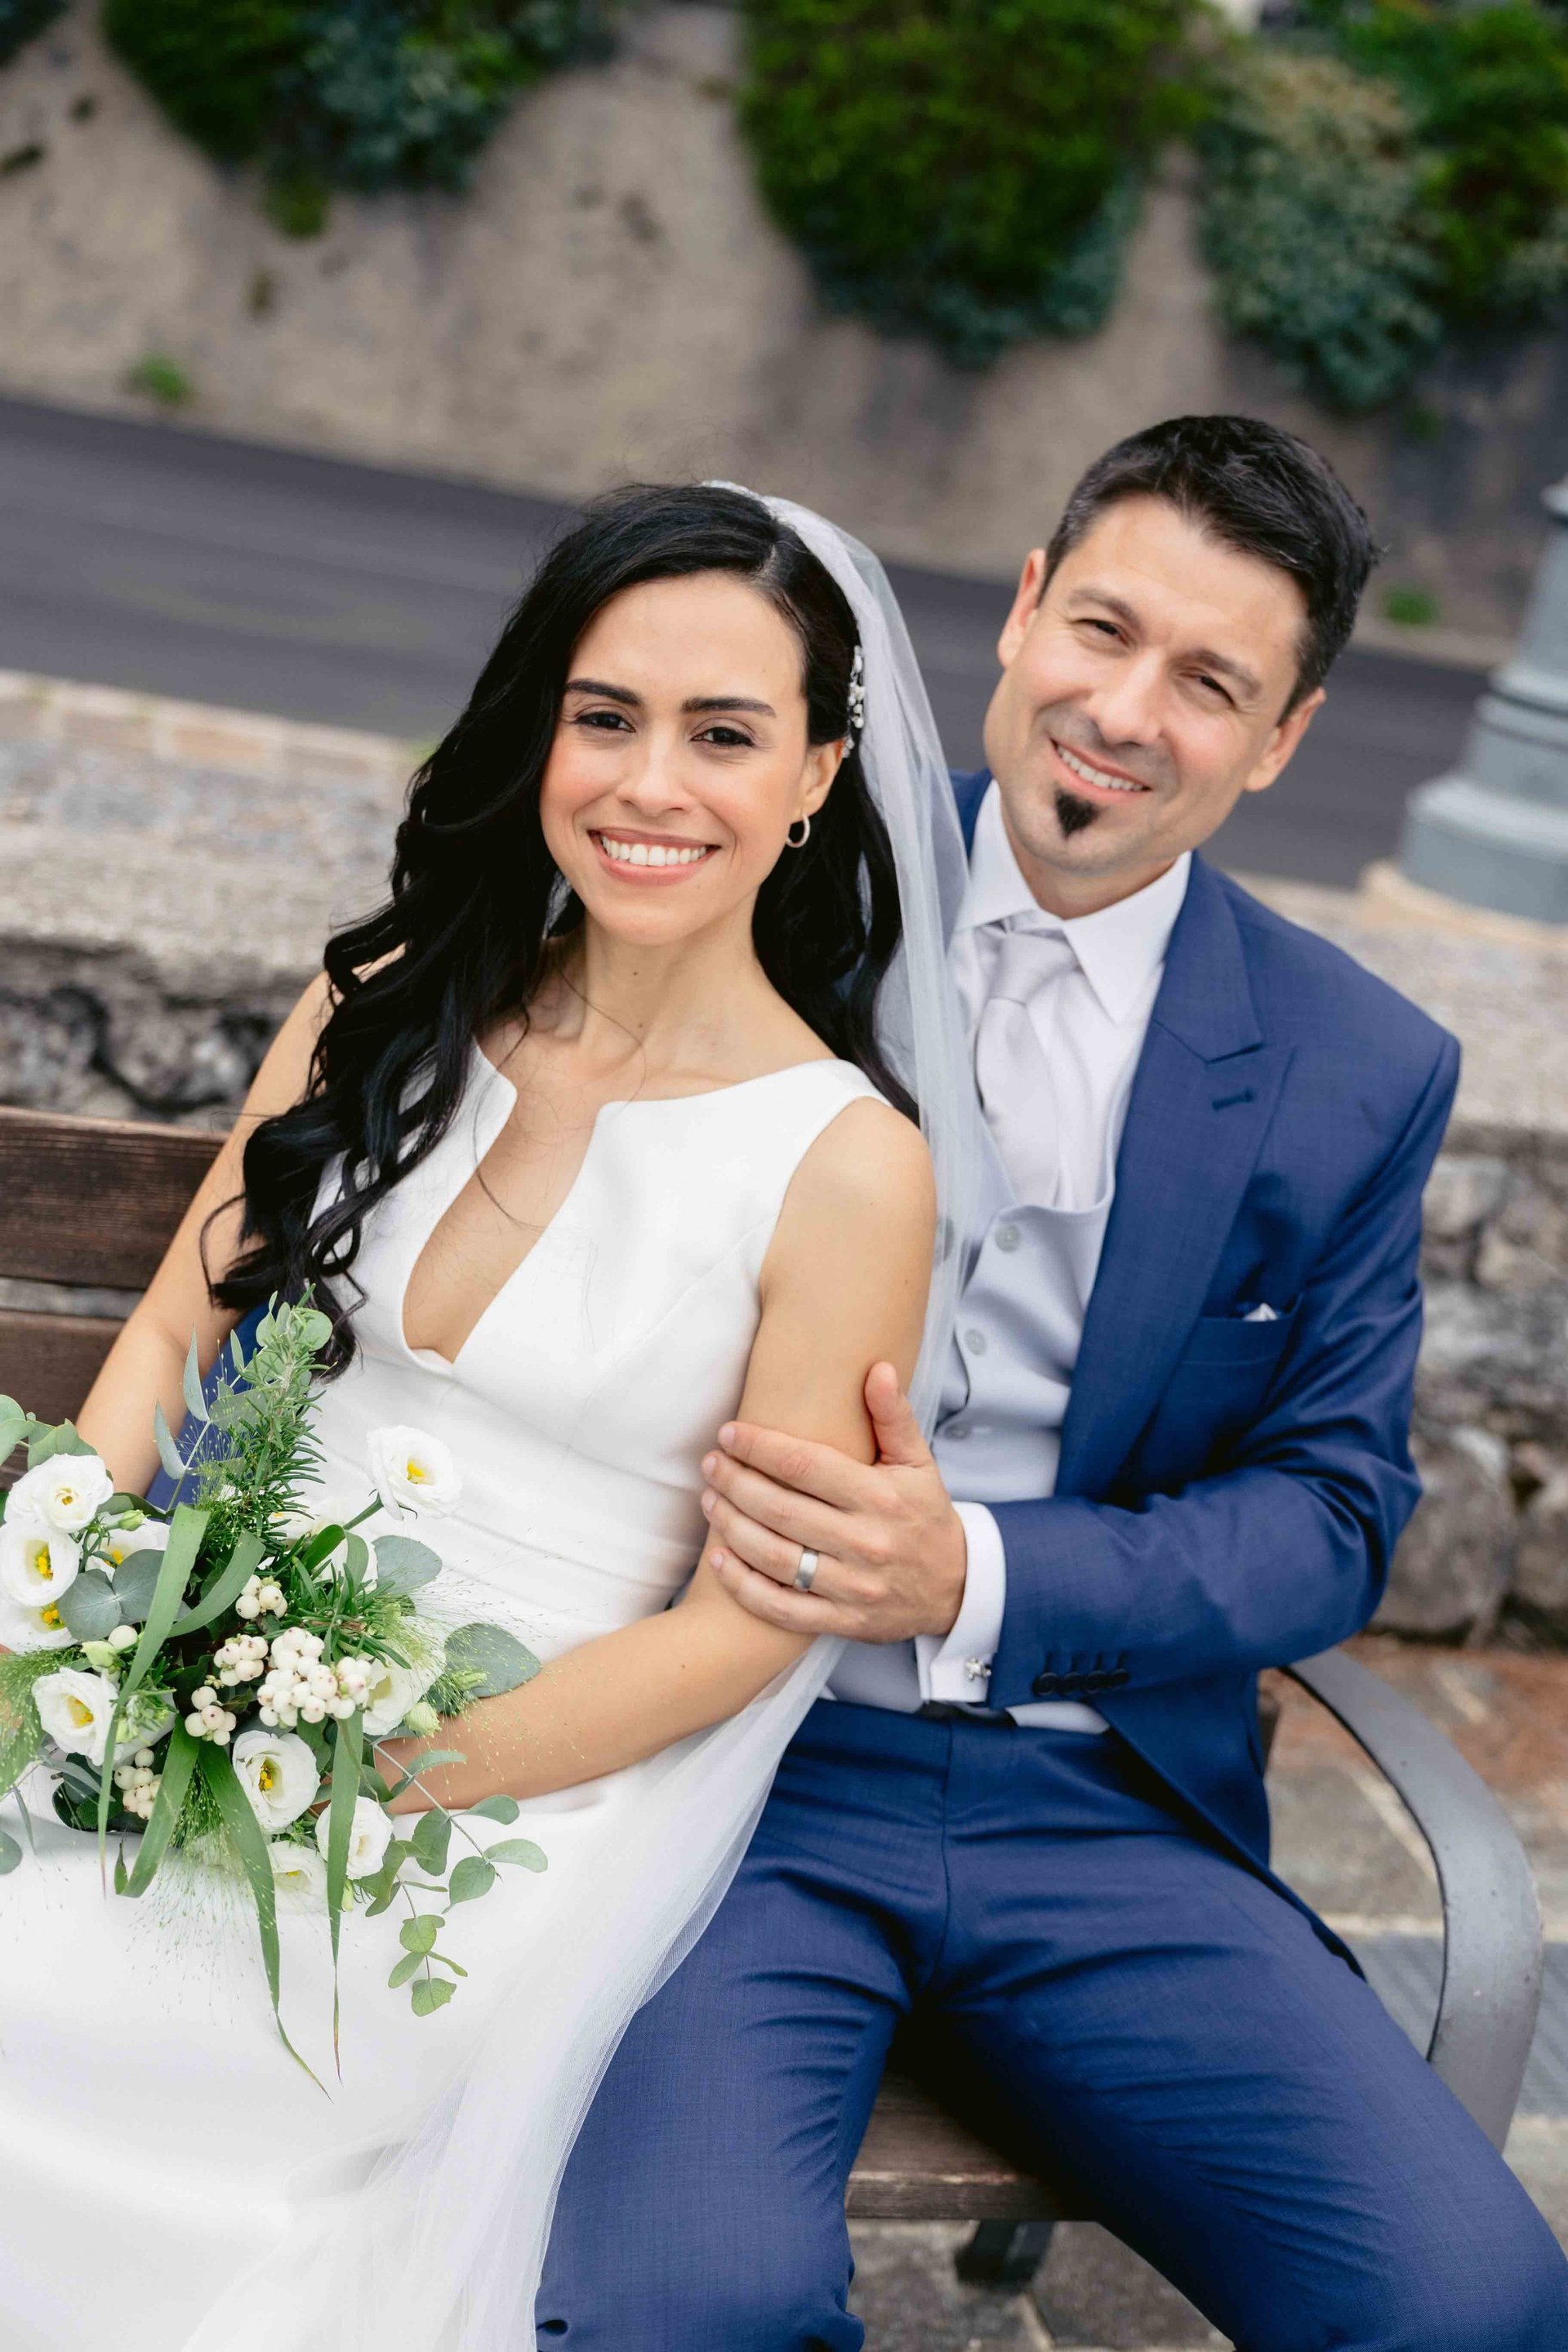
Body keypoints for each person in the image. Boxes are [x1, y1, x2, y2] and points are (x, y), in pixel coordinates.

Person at [538, 419, 1568, 2350]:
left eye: (1212, 684)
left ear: (1283, 738)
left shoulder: (1358, 1066)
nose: (1124, 711)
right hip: (724, 1769)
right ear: (1021, 611)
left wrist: (980, 1577)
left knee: (1472, 2305)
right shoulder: (759, 873)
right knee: (684, 2309)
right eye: (1103, 629)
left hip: (1097, 1809)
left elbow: (1332, 1516)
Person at [0, 484, 975, 2352]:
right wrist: (61, 1591)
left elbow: (746, 1621)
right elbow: (176, 1331)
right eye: (605, 716)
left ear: (815, 777)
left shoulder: (846, 1165)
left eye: (723, 734)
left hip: (501, 1809)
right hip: (196, 1678)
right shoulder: (383, 1002)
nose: (649, 784)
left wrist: (397, 1772)